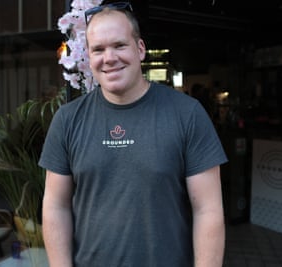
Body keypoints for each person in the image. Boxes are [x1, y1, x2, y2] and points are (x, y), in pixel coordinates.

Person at [39, 1, 228, 266]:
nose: (109, 58)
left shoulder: (187, 114)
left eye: (119, 45)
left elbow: (207, 210)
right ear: (89, 57)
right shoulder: (68, 120)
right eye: (98, 49)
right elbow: (55, 206)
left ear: (140, 49)